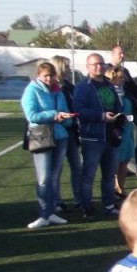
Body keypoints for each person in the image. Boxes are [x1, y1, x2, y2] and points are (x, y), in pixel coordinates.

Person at [20, 61, 76, 230]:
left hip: (60, 137)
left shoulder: (57, 91)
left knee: (54, 177)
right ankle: (43, 214)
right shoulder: (31, 90)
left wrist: (65, 119)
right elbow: (32, 116)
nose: (49, 79)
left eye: (51, 76)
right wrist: (54, 115)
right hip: (41, 137)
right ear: (38, 75)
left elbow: (65, 113)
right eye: (45, 76)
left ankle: (51, 211)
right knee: (43, 178)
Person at [74, 53, 124, 220]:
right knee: (88, 175)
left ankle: (109, 205)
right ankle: (86, 207)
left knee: (109, 175)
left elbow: (117, 107)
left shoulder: (109, 85)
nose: (98, 67)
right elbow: (79, 110)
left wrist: (118, 124)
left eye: (101, 64)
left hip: (110, 137)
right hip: (92, 138)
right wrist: (100, 116)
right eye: (94, 64)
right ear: (87, 67)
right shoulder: (83, 87)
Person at [52, 55, 83, 211]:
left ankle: (79, 198)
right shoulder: (51, 87)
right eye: (66, 66)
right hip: (57, 132)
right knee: (56, 168)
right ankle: (56, 200)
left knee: (76, 166)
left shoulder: (70, 86)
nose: (69, 69)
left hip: (71, 131)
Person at [108, 66, 137, 199]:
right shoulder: (109, 94)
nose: (123, 79)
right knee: (116, 160)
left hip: (128, 129)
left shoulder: (126, 93)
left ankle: (121, 186)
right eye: (120, 77)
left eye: (123, 77)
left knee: (125, 160)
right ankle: (115, 188)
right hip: (116, 130)